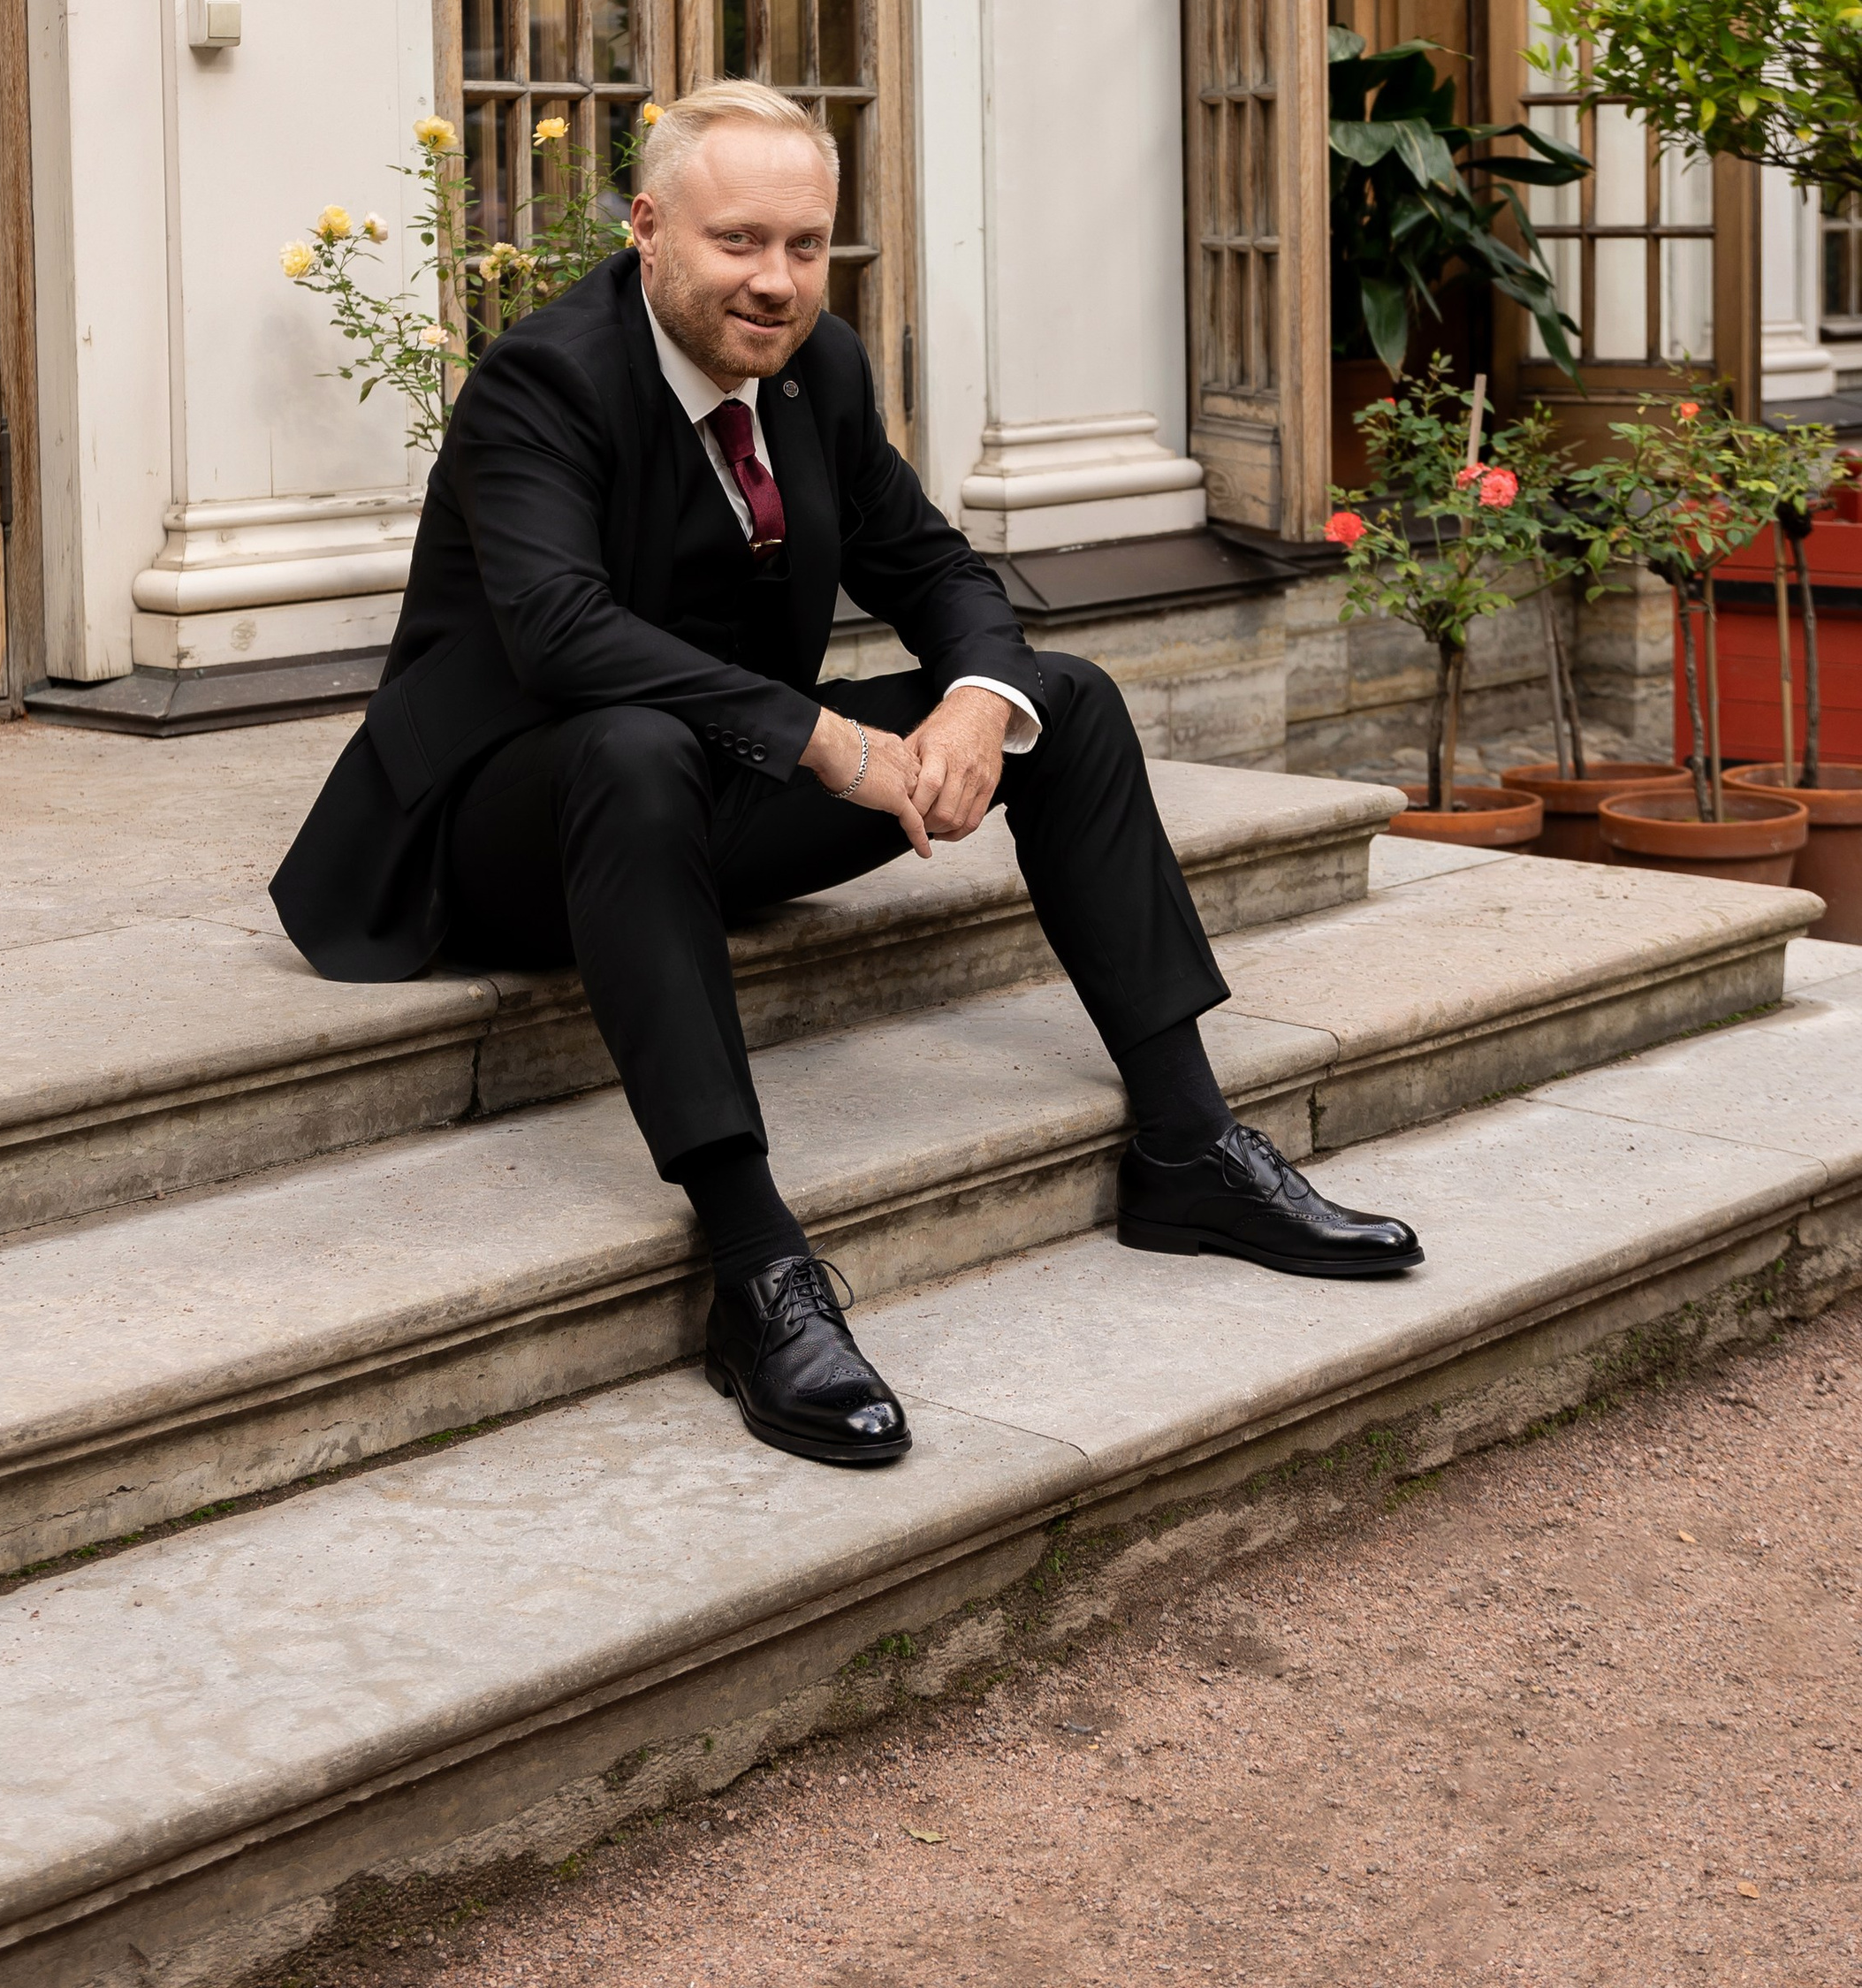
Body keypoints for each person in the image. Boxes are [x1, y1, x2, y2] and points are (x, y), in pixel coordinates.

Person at [274, 82, 1420, 1470]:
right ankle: (759, 1274)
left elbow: (931, 563)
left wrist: (975, 709)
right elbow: (561, 630)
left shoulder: (821, 372)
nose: (775, 279)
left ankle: (1186, 1143)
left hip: (714, 787)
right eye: (738, 240)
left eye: (806, 244)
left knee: (1063, 699)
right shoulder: (547, 377)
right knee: (635, 750)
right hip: (493, 826)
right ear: (648, 229)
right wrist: (839, 742)